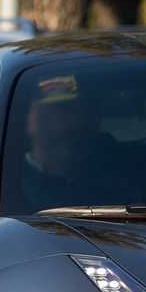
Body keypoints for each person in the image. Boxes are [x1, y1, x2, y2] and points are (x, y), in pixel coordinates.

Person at [19, 74, 110, 209]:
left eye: (89, 109)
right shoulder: (3, 182)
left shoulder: (130, 172)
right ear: (31, 118)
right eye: (64, 109)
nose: (79, 120)